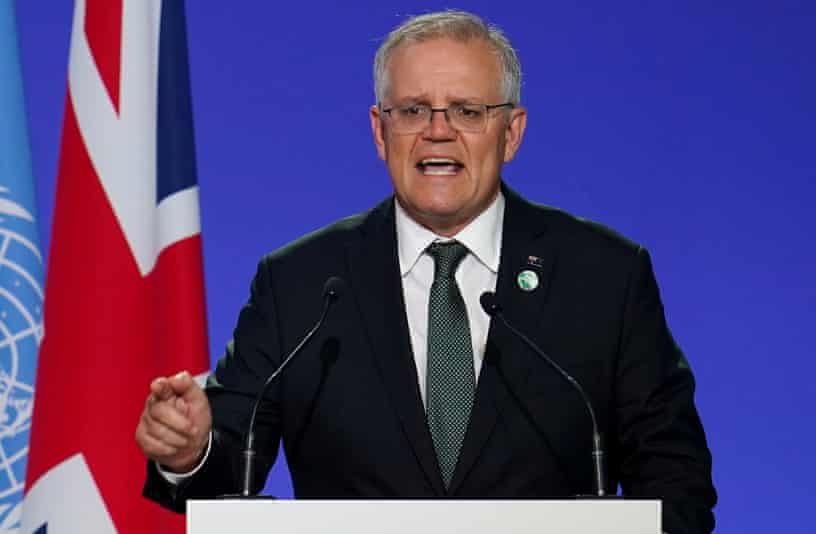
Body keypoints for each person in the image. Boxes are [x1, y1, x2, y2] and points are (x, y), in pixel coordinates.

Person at [135, 10, 716, 533]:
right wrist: (190, 452)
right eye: (412, 110)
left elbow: (675, 479)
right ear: (379, 129)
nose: (438, 130)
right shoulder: (302, 283)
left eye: (467, 110)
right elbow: (230, 464)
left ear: (510, 133)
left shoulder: (604, 275)